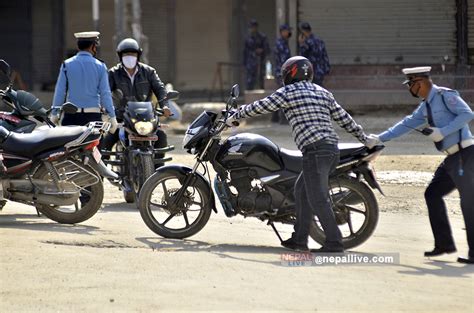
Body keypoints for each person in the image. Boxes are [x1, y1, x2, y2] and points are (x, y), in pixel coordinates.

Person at [226, 56, 375, 252]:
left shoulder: (288, 92)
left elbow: (260, 107)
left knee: (317, 197)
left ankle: (334, 242)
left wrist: (235, 115)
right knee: (301, 192)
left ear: (290, 73)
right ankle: (299, 239)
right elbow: (344, 118)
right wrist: (364, 138)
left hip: (315, 151)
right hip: (330, 151)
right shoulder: (323, 92)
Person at [367, 67, 474, 264]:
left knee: (468, 202)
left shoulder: (444, 96)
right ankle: (444, 244)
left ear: (421, 82)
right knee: (432, 194)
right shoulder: (426, 105)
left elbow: (467, 114)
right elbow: (406, 124)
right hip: (451, 158)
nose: (410, 89)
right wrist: (379, 138)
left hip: (465, 155)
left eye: (411, 84)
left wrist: (442, 131)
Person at [101, 38, 171, 166]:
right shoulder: (113, 73)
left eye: (132, 54)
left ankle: (157, 171)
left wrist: (165, 106)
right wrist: (105, 107)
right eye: (126, 54)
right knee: (105, 144)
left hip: (146, 118)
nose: (129, 57)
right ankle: (101, 178)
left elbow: (160, 89)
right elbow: (105, 93)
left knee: (161, 137)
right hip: (121, 118)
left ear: (138, 55)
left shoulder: (149, 72)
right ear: (120, 56)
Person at [51, 31, 117, 131]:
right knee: (94, 146)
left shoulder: (66, 64)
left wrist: (54, 113)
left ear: (78, 47)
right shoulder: (100, 66)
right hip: (93, 117)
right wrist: (112, 117)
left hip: (71, 116)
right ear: (92, 47)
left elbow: (60, 91)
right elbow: (105, 93)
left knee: (69, 146)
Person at [298, 22, 330, 86]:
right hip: (320, 71)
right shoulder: (319, 41)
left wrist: (301, 44)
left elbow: (302, 56)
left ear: (303, 32)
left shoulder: (306, 43)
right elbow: (325, 56)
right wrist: (327, 70)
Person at [271, 24, 292, 124]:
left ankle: (275, 117)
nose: (289, 33)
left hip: (283, 72)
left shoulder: (284, 42)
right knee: (283, 95)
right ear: (282, 31)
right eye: (287, 31)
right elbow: (284, 61)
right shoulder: (280, 43)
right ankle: (282, 119)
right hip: (281, 73)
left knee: (281, 94)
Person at [243, 19, 270, 90]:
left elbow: (267, 49)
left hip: (260, 60)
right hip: (251, 62)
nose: (252, 29)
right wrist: (245, 62)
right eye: (251, 27)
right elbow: (246, 51)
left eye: (253, 27)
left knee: (261, 77)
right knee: (250, 79)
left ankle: (262, 89)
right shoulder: (248, 38)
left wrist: (262, 50)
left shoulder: (262, 37)